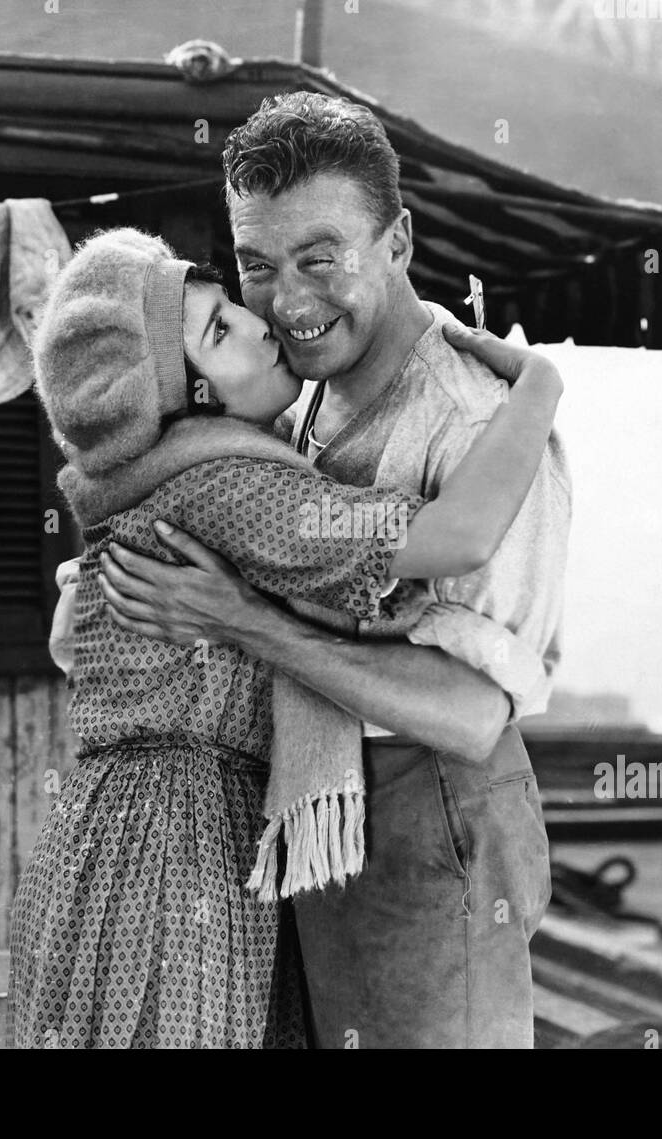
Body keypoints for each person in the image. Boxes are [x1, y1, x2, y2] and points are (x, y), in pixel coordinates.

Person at [89, 92, 573, 1048]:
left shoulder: (472, 422)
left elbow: (474, 714)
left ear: (396, 242)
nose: (289, 302)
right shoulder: (296, 404)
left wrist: (241, 621)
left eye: (322, 258)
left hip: (435, 815)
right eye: (258, 267)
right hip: (325, 819)